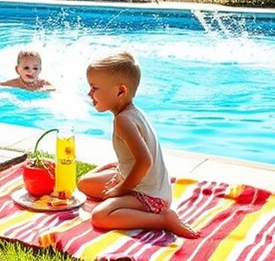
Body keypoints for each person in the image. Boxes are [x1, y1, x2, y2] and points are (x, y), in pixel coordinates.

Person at [77, 51, 200, 239]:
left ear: (120, 91)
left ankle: (164, 220)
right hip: (135, 180)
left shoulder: (124, 121)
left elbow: (144, 162)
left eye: (94, 88)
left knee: (100, 216)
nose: (89, 93)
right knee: (84, 183)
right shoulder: (130, 112)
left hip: (149, 195)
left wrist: (120, 189)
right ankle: (121, 194)